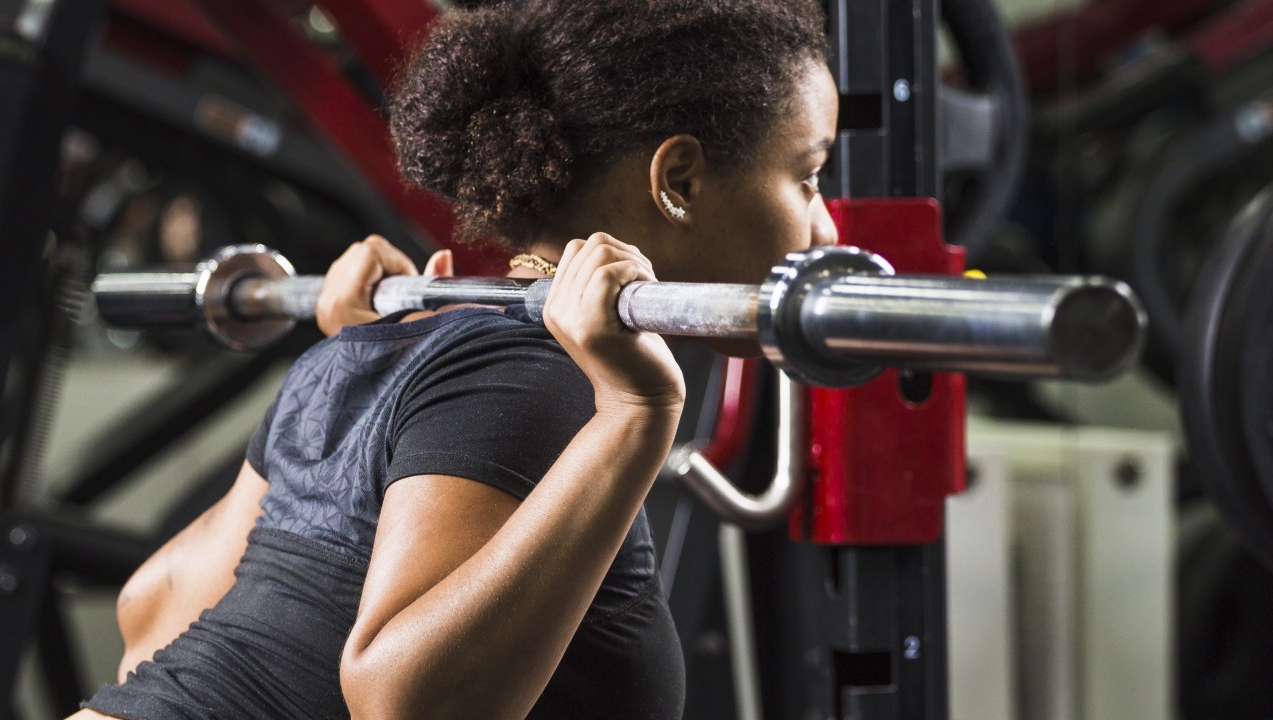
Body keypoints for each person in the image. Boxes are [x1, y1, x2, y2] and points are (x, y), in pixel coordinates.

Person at [70, 0, 838, 717]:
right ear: (678, 181)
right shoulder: (551, 380)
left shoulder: (371, 350)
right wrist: (635, 418)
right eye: (806, 177)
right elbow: (404, 702)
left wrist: (341, 360)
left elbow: (154, 607)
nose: (827, 230)